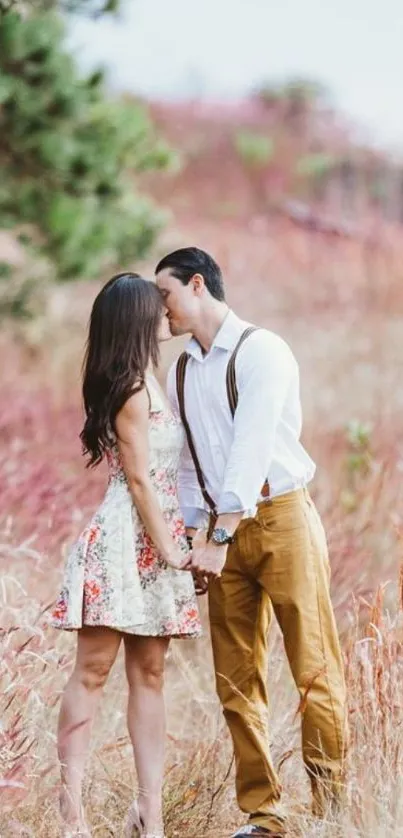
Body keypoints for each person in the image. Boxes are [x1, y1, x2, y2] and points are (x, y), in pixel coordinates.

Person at [155, 247, 347, 838]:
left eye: (164, 295)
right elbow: (188, 464)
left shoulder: (262, 350)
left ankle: (333, 810)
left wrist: (217, 533)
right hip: (219, 534)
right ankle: (266, 816)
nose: (159, 310)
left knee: (313, 668)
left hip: (280, 518)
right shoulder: (181, 369)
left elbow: (252, 446)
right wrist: (195, 537)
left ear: (195, 285)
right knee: (236, 679)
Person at [51, 273, 201, 838]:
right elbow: (138, 479)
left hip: (155, 535)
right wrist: (171, 551)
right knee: (91, 671)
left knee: (151, 674)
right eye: (155, 306)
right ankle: (72, 814)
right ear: (136, 320)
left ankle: (150, 811)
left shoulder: (151, 380)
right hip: (125, 539)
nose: (166, 313)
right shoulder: (131, 388)